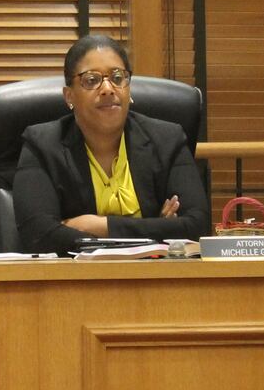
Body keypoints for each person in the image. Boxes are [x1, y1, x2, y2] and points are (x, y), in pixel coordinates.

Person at [13, 34, 211, 254]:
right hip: (73, 281)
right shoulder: (43, 144)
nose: (108, 88)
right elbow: (39, 235)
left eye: (117, 78)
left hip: (155, 278)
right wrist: (157, 228)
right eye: (91, 80)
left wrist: (100, 226)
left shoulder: (167, 139)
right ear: (69, 96)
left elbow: (196, 226)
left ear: (129, 88)